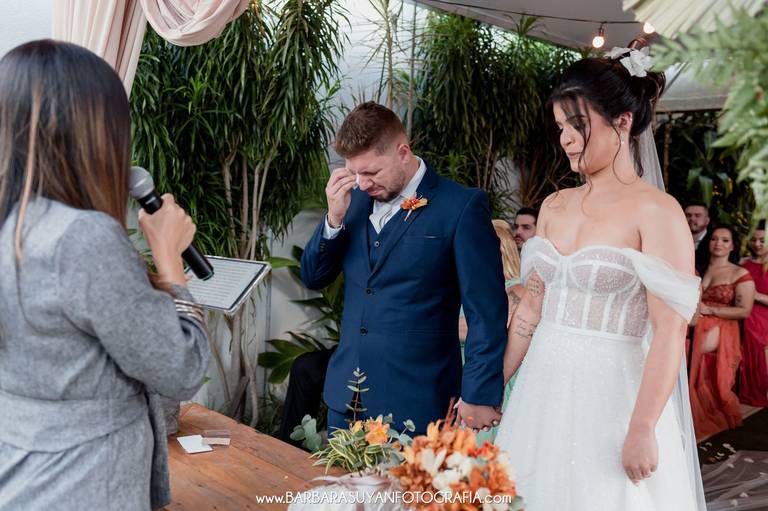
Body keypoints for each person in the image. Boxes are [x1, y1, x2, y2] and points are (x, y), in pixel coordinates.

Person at [0, 41, 210, 510]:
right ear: (93, 131)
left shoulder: (14, 227)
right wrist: (169, 259)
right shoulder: (81, 237)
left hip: (21, 474)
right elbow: (181, 370)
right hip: (85, 482)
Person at [495, 48, 706, 510]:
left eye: (577, 124)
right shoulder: (554, 205)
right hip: (540, 390)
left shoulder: (657, 212)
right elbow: (531, 310)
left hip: (612, 395)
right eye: (560, 128)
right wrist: (493, 385)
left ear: (623, 121)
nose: (567, 139)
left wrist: (643, 427)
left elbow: (670, 332)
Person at [301, 102, 507, 434]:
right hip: (346, 402)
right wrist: (333, 219)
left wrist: (479, 394)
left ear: (403, 153)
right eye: (354, 173)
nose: (362, 183)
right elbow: (313, 277)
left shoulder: (460, 207)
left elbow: (487, 311)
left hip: (419, 405)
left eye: (371, 173)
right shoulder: (351, 202)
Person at [688, 225, 755, 439]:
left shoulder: (739, 273)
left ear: (732, 246)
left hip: (723, 323)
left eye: (725, 240)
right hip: (696, 319)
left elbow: (744, 310)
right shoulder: (699, 267)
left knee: (689, 347)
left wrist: (710, 310)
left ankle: (694, 406)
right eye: (714, 238)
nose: (718, 243)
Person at [739, 221, 768, 407]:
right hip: (744, 311)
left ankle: (757, 388)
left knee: (752, 329)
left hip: (763, 313)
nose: (757, 244)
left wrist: (755, 295)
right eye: (754, 240)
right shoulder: (743, 263)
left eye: (762, 240)